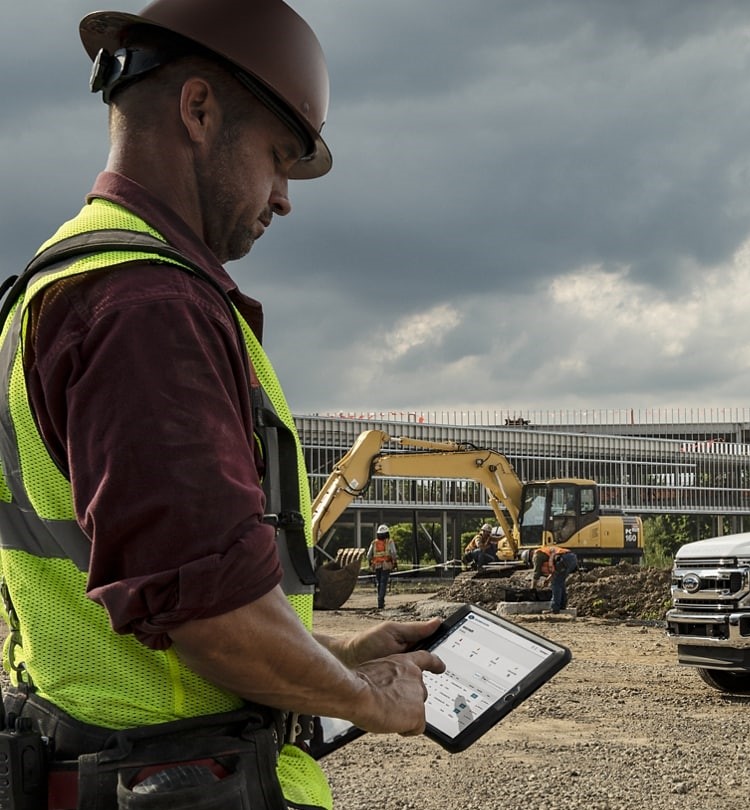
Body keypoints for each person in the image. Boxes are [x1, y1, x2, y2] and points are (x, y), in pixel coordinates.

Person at [0, 2, 445, 808]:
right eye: (278, 158)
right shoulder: (147, 307)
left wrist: (337, 651)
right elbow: (205, 616)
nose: (283, 199)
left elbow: (148, 603)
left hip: (101, 758)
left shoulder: (53, 281)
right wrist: (366, 697)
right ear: (198, 109)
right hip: (177, 780)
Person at [531, 545, 580, 613]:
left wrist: (533, 588)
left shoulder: (537, 555)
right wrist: (548, 580)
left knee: (556, 584)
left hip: (564, 559)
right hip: (572, 558)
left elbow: (536, 573)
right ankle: (562, 605)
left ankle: (554, 608)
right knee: (560, 582)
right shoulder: (546, 552)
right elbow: (555, 571)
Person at [368, 525, 399, 609]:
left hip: (377, 565)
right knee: (383, 583)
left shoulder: (374, 543)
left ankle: (380, 601)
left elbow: (368, 555)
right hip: (386, 565)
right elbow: (393, 553)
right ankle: (380, 601)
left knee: (379, 583)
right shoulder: (389, 542)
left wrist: (370, 563)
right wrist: (395, 562)